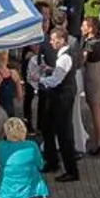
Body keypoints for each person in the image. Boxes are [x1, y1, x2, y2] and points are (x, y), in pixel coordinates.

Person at [0, 117, 58, 198]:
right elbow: (40, 165)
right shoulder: (31, 146)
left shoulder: (0, 146)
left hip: (5, 193)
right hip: (29, 193)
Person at [35, 22, 81, 181]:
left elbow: (56, 80)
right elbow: (59, 73)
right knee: (48, 127)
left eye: (54, 39)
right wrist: (50, 69)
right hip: (59, 95)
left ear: (62, 40)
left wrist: (40, 79)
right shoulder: (63, 56)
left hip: (63, 97)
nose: (51, 42)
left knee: (64, 133)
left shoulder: (65, 58)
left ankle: (71, 171)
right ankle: (52, 160)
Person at [81, 17, 100, 157]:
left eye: (84, 26)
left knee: (95, 111)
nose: (82, 28)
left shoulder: (89, 44)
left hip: (92, 78)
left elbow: (82, 60)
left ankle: (99, 143)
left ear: (91, 28)